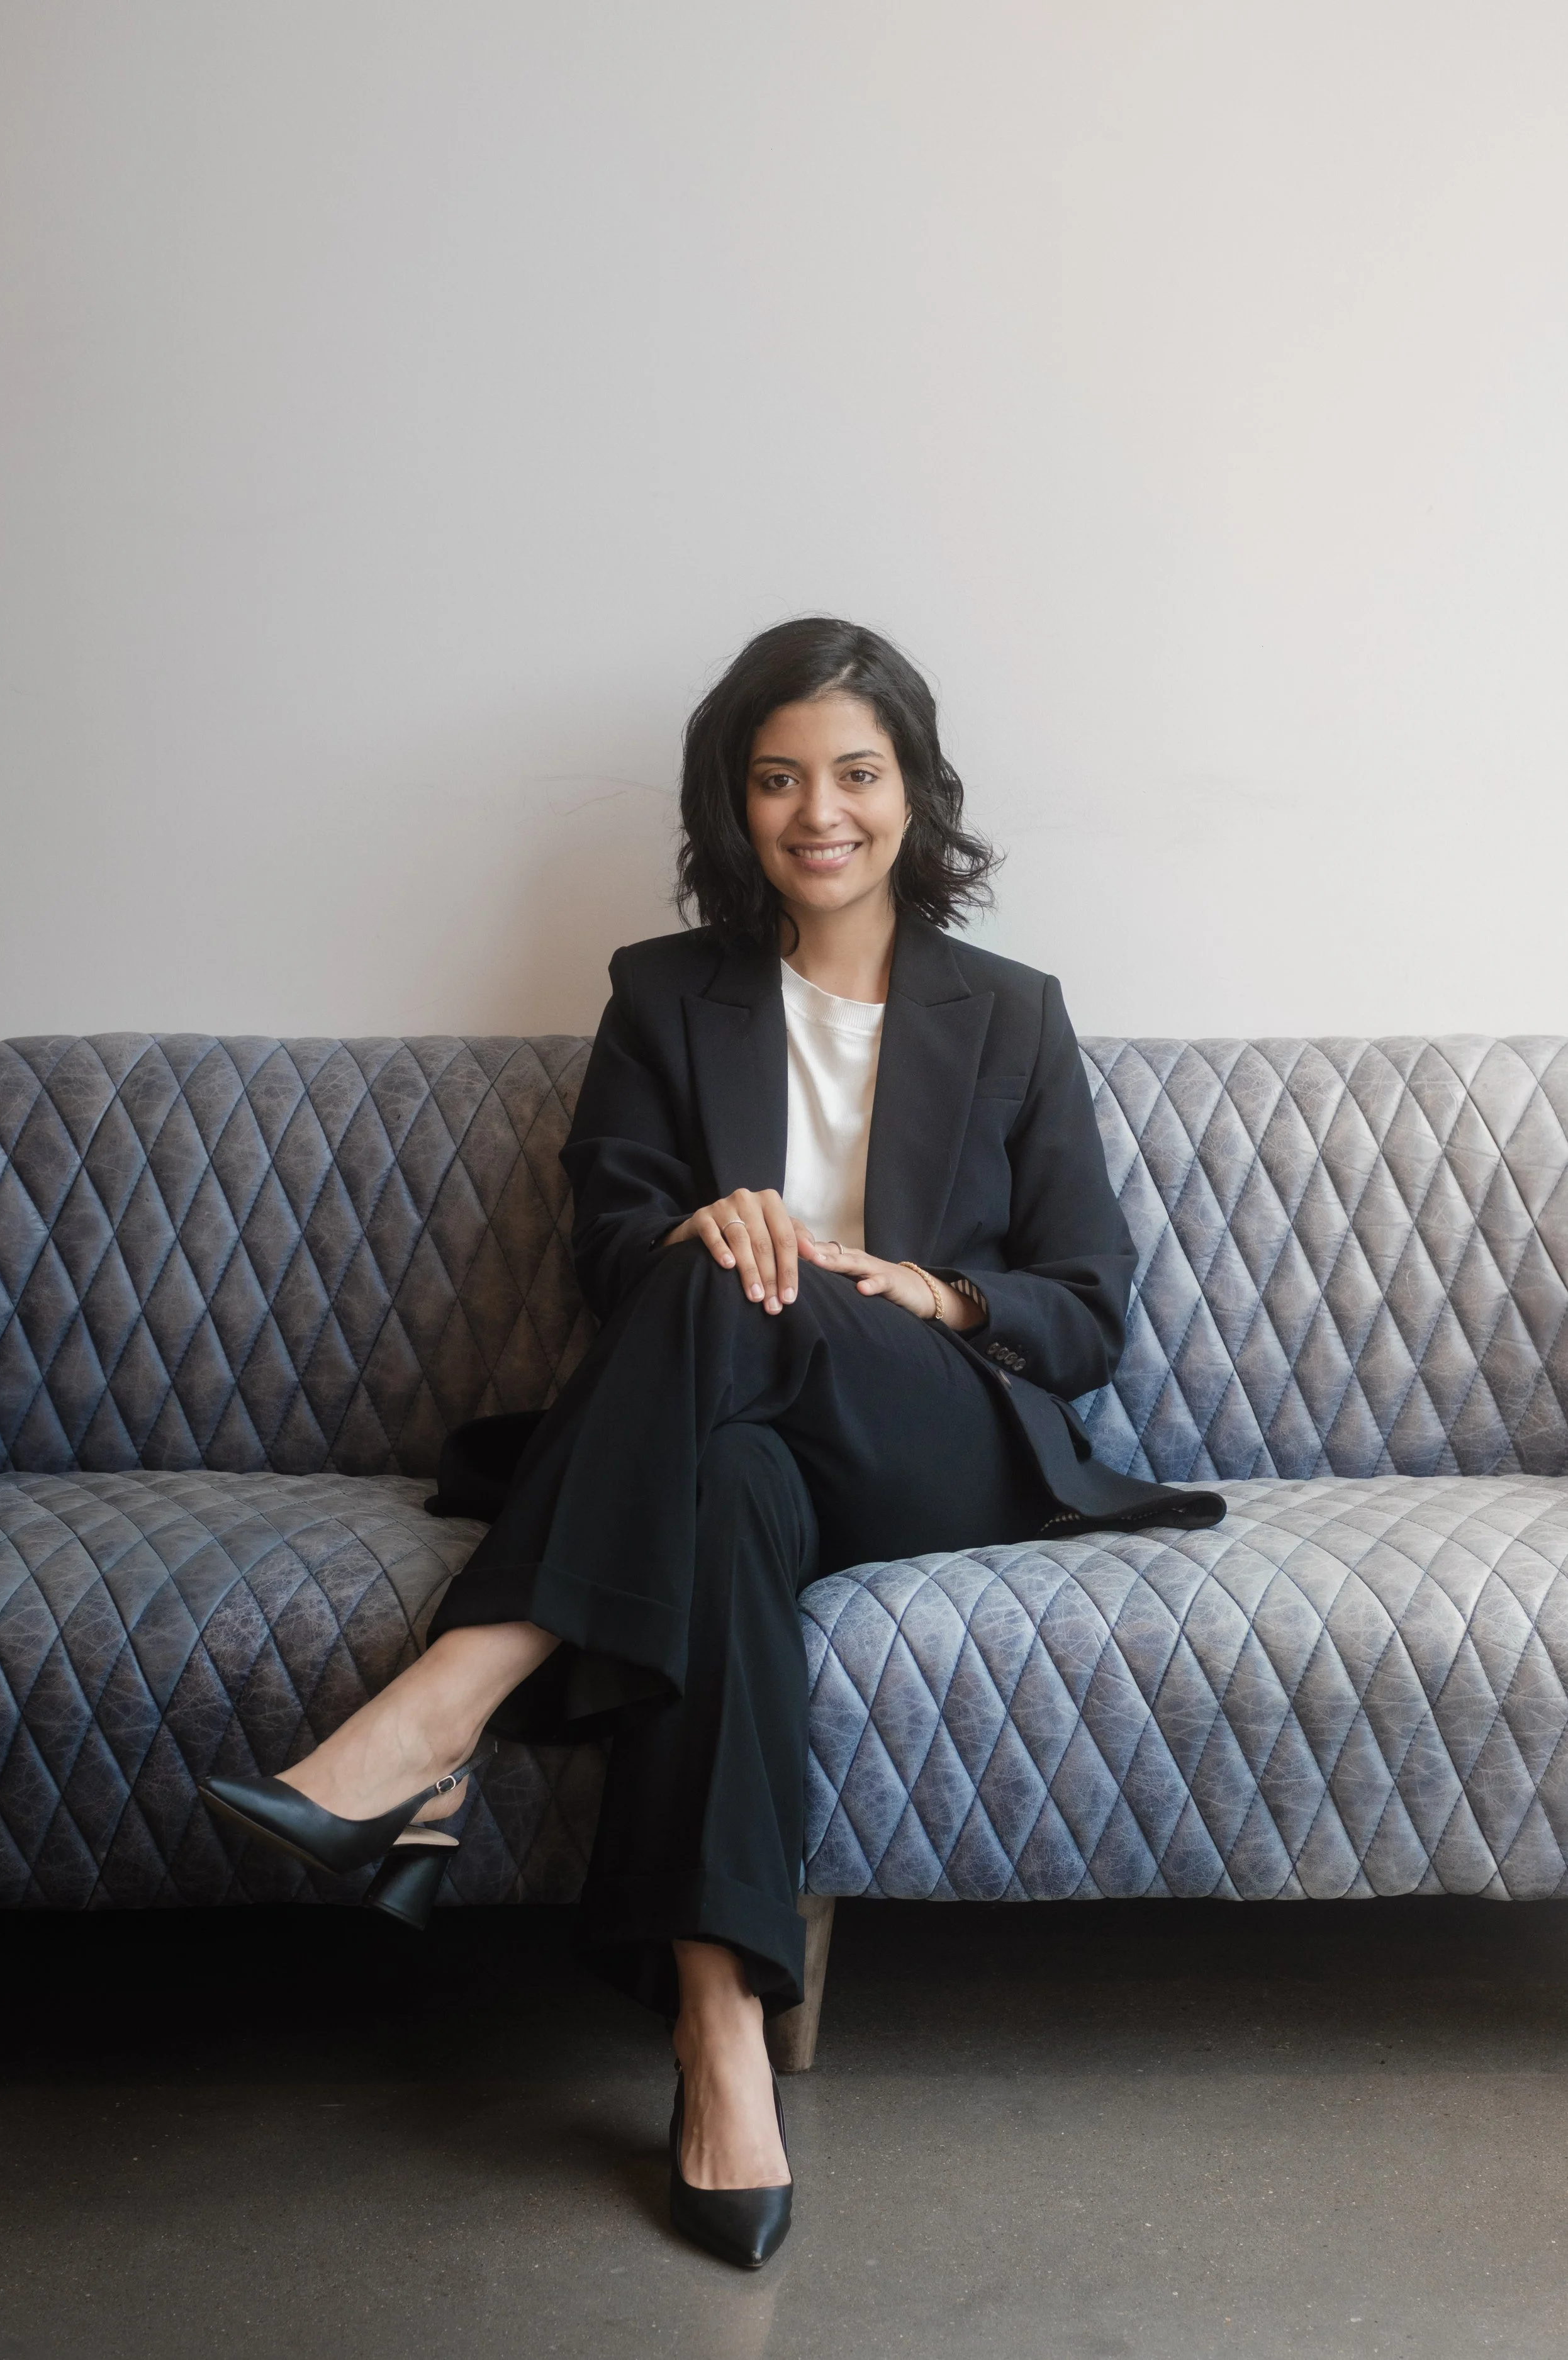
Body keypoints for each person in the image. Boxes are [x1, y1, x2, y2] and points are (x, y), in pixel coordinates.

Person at [199, 617, 1222, 2269]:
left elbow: (1088, 1309)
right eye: (774, 778)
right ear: (730, 805)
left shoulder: (1011, 1013)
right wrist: (710, 1228)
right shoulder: (661, 995)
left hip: (936, 1436)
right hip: (724, 1434)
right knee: (722, 1402)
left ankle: (442, 1706)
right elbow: (608, 1263)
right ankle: (717, 2033)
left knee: (744, 1285)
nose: (817, 809)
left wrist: (935, 1294)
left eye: (855, 773)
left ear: (912, 792)